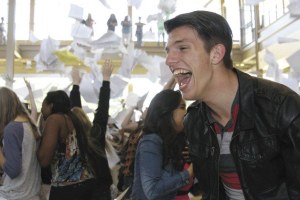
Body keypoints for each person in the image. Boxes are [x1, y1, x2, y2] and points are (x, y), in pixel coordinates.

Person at [164, 10, 300, 200]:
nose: (169, 60)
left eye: (182, 48)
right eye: (168, 51)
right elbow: (212, 192)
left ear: (216, 53)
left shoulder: (282, 108)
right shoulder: (194, 120)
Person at [131, 89, 193, 200]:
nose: (186, 112)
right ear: (167, 111)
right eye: (182, 107)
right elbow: (153, 190)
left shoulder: (171, 141)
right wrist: (188, 173)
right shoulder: (151, 142)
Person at [37, 89, 98, 200]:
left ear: (50, 106)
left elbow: (44, 159)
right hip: (85, 184)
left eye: (42, 106)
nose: (41, 110)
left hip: (67, 187)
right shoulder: (74, 119)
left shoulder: (54, 119)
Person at [69, 61, 114, 200]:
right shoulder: (95, 137)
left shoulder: (73, 139)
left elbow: (75, 111)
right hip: (100, 190)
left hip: (80, 189)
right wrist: (106, 79)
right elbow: (102, 110)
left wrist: (75, 84)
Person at [0, 87, 41, 200]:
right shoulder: (29, 124)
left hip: (13, 194)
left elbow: (13, 170)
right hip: (31, 192)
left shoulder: (11, 129)